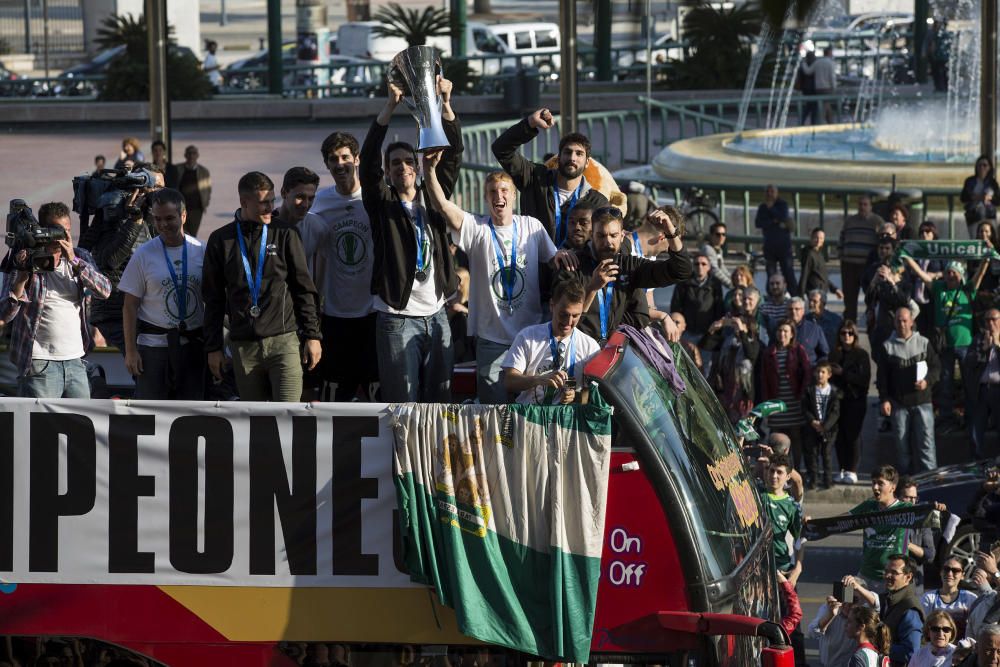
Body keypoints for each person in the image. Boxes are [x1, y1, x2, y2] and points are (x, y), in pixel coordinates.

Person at [424, 158, 560, 404]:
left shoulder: (532, 226)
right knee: (493, 411)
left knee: (533, 405)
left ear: (514, 197)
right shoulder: (477, 228)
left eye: (505, 190)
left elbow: (556, 261)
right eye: (493, 192)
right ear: (486, 199)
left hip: (528, 335)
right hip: (491, 340)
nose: (499, 196)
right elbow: (442, 205)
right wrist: (429, 170)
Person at [360, 77, 462, 402]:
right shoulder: (382, 204)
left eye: (408, 161)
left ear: (417, 167)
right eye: (394, 164)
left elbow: (454, 154)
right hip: (397, 318)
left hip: (437, 313)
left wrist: (446, 103)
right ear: (387, 172)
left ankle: (433, 455)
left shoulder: (434, 196)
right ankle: (403, 455)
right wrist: (389, 107)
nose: (402, 167)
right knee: (403, 404)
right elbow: (367, 162)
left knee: (440, 401)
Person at [201, 171, 322, 401]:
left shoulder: (285, 233)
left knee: (287, 417)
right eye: (263, 203)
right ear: (244, 202)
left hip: (284, 342)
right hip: (244, 347)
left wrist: (313, 335)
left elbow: (303, 288)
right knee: (255, 423)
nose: (270, 208)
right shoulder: (221, 240)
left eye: (272, 200)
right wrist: (213, 348)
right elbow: (213, 299)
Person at [0, 202, 111, 398]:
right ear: (43, 231)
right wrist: (21, 279)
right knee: (42, 426)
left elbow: (105, 290)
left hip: (76, 360)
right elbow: (5, 313)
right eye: (56, 231)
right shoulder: (25, 259)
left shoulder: (80, 256)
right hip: (39, 362)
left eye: (66, 231)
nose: (61, 238)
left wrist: (74, 262)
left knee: (81, 424)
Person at [298, 131, 377, 402]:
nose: (340, 164)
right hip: (334, 314)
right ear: (327, 164)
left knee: (375, 394)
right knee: (335, 395)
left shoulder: (375, 198)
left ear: (357, 159)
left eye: (345, 157)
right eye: (333, 159)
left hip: (372, 312)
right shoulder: (319, 203)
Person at [553, 206, 691, 343]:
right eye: (601, 235)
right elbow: (564, 319)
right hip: (576, 350)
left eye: (613, 236)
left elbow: (680, 271)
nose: (608, 242)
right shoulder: (571, 264)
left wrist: (670, 233)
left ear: (622, 235)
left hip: (612, 354)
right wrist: (592, 288)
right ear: (591, 234)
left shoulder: (629, 265)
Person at [118, 188, 206, 400]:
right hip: (153, 349)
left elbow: (214, 299)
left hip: (193, 347)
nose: (163, 225)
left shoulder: (201, 250)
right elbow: (130, 305)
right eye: (157, 219)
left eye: (169, 218)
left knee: (192, 412)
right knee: (151, 414)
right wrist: (131, 351)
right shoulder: (143, 254)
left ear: (183, 216)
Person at [78, 164, 165, 352]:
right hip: (116, 312)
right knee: (146, 367)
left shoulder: (150, 218)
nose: (161, 194)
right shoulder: (115, 217)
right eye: (156, 187)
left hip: (140, 310)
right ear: (138, 188)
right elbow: (110, 260)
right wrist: (133, 220)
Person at [491, 108, 609, 245]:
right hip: (534, 264)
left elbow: (608, 241)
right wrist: (530, 123)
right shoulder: (534, 177)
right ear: (558, 158)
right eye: (567, 152)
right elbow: (501, 149)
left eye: (579, 154)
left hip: (574, 266)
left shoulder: (597, 202)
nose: (572, 158)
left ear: (587, 162)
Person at [902, 258, 989, 432]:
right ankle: (946, 418)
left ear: (960, 276)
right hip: (945, 346)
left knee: (969, 384)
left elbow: (979, 275)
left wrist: (986, 260)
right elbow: (922, 275)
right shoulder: (939, 288)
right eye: (948, 272)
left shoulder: (967, 289)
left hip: (966, 345)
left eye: (954, 272)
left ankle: (972, 420)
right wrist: (907, 258)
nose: (950, 275)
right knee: (945, 383)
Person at [502, 280, 602, 405]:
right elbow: (509, 382)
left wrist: (575, 397)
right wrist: (538, 380)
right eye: (563, 314)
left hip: (567, 419)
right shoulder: (527, 336)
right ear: (552, 305)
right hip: (531, 417)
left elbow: (590, 395)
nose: (568, 322)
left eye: (575, 316)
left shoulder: (590, 347)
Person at [878, 306, 941, 473]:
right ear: (894, 322)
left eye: (905, 320)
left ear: (912, 321)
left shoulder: (924, 343)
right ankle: (905, 485)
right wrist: (884, 399)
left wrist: (927, 381)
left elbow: (936, 368)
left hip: (923, 402)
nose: (902, 324)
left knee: (926, 447)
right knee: (902, 449)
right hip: (899, 404)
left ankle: (930, 482)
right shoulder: (887, 347)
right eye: (898, 321)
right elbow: (882, 377)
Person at [847, 465, 911, 590]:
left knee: (883, 608)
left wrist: (937, 508)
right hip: (865, 575)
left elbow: (928, 516)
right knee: (845, 599)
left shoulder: (905, 509)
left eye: (880, 483)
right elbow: (840, 521)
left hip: (891, 578)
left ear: (893, 487)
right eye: (873, 483)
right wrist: (814, 523)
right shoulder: (868, 506)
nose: (875, 487)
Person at [701, 289, 760, 423]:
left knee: (743, 429)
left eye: (740, 323)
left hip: (743, 394)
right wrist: (713, 329)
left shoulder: (753, 342)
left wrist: (743, 332)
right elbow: (706, 345)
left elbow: (751, 354)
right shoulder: (728, 340)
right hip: (725, 391)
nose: (736, 327)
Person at [762, 319, 811, 474]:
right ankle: (776, 469)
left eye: (786, 331)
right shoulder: (769, 352)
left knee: (795, 436)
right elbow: (763, 380)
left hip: (793, 400)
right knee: (776, 437)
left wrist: (802, 394)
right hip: (776, 400)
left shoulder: (798, 350)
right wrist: (767, 404)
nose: (782, 334)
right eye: (780, 331)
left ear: (791, 334)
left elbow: (807, 372)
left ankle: (794, 469)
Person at [829, 320, 871, 485]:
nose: (846, 336)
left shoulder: (861, 355)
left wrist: (843, 373)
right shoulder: (834, 354)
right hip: (837, 400)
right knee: (838, 436)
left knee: (852, 435)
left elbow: (864, 379)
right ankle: (841, 468)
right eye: (843, 333)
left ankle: (852, 470)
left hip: (856, 400)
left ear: (855, 335)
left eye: (850, 333)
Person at [760, 453, 803, 584]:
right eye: (771, 470)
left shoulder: (792, 506)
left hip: (781, 567)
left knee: (789, 604)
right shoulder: (755, 494)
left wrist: (797, 569)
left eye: (779, 472)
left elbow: (800, 539)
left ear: (788, 476)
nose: (774, 476)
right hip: (756, 566)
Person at [963, 308, 1000, 459]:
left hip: (998, 390)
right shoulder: (978, 339)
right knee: (975, 432)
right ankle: (976, 464)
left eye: (994, 319)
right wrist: (984, 350)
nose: (990, 323)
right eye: (987, 320)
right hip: (982, 390)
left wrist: (997, 346)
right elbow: (968, 362)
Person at [841, 195, 884, 322]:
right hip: (849, 264)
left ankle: (871, 324)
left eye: (865, 204)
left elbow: (882, 242)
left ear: (871, 206)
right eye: (860, 204)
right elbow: (841, 238)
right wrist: (841, 254)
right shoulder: (849, 221)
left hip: (867, 265)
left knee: (871, 297)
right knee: (849, 299)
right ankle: (849, 326)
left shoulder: (877, 221)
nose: (862, 207)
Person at [669, 252, 725, 343]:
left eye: (703, 264)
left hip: (707, 334)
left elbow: (719, 309)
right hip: (687, 332)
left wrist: (715, 332)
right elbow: (676, 307)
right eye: (696, 264)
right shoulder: (683, 283)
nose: (700, 266)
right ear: (693, 266)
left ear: (709, 267)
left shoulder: (715, 284)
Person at [802, 360, 841, 489]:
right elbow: (805, 408)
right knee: (812, 454)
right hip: (812, 427)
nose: (820, 375)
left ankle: (827, 481)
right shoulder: (809, 390)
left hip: (828, 429)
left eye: (823, 372)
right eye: (818, 371)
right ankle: (813, 480)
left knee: (827, 455)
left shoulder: (834, 392)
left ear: (829, 374)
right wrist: (812, 421)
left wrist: (825, 426)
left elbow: (835, 412)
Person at [755, 184, 796, 295]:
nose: (769, 194)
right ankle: (772, 297)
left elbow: (783, 217)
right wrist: (773, 222)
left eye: (772, 191)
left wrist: (771, 209)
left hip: (784, 246)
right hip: (769, 246)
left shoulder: (782, 204)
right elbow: (758, 223)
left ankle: (795, 297)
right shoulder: (762, 207)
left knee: (788, 273)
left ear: (777, 193)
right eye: (767, 191)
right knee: (771, 275)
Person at [897, 479, 938, 588]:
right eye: (908, 497)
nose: (912, 502)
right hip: (889, 581)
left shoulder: (922, 520)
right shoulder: (888, 519)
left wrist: (907, 544)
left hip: (913, 584)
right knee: (848, 588)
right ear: (897, 498)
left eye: (915, 498)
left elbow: (930, 555)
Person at [922, 560, 978, 638]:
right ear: (941, 572)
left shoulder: (970, 598)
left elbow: (976, 627)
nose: (949, 574)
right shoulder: (928, 598)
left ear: (962, 575)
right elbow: (924, 628)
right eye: (946, 569)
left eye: (955, 570)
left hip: (963, 647)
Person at [174, 145, 212, 238]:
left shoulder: (204, 171)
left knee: (193, 233)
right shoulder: (177, 169)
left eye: (193, 153)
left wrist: (205, 203)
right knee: (181, 232)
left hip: (196, 209)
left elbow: (208, 189)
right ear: (185, 155)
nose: (191, 156)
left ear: (197, 155)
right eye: (189, 153)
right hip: (180, 207)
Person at [808, 595, 857, 667]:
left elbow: (876, 603)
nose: (847, 605)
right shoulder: (829, 608)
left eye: (853, 601)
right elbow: (812, 632)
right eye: (844, 600)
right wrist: (830, 615)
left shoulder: (863, 612)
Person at [799, 227, 843, 301]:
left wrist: (834, 289)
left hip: (821, 292)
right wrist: (801, 295)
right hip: (814, 294)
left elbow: (822, 276)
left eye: (821, 238)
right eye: (816, 238)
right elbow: (804, 274)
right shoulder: (809, 254)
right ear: (811, 238)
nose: (819, 240)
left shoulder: (819, 254)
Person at [962, 156, 1000, 235]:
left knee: (991, 239)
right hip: (974, 216)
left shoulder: (992, 183)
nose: (982, 167)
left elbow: (998, 201)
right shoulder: (969, 181)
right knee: (975, 238)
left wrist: (990, 198)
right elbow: (963, 197)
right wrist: (974, 197)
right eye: (979, 165)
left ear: (989, 167)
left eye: (985, 165)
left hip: (989, 215)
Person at [799, 46, 837, 124]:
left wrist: (803, 63)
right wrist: (834, 87)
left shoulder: (818, 62)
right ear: (829, 53)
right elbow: (832, 77)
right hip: (827, 88)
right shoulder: (830, 63)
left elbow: (808, 71)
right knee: (825, 106)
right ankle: (826, 123)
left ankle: (829, 122)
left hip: (818, 88)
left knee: (825, 105)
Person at [789, 296, 829, 366]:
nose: (793, 312)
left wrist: (817, 368)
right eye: (790, 309)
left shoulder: (814, 329)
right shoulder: (779, 329)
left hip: (809, 372)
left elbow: (824, 353)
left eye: (797, 309)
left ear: (803, 311)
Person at [701, 222, 733, 289]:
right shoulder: (708, 249)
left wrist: (733, 279)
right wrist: (731, 284)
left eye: (723, 234)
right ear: (711, 235)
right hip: (706, 288)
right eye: (718, 234)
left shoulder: (718, 250)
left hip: (714, 286)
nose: (721, 237)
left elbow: (721, 267)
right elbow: (714, 270)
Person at [760, 273, 791, 339]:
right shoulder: (764, 307)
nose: (774, 286)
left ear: (785, 285)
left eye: (778, 283)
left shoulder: (790, 305)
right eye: (772, 284)